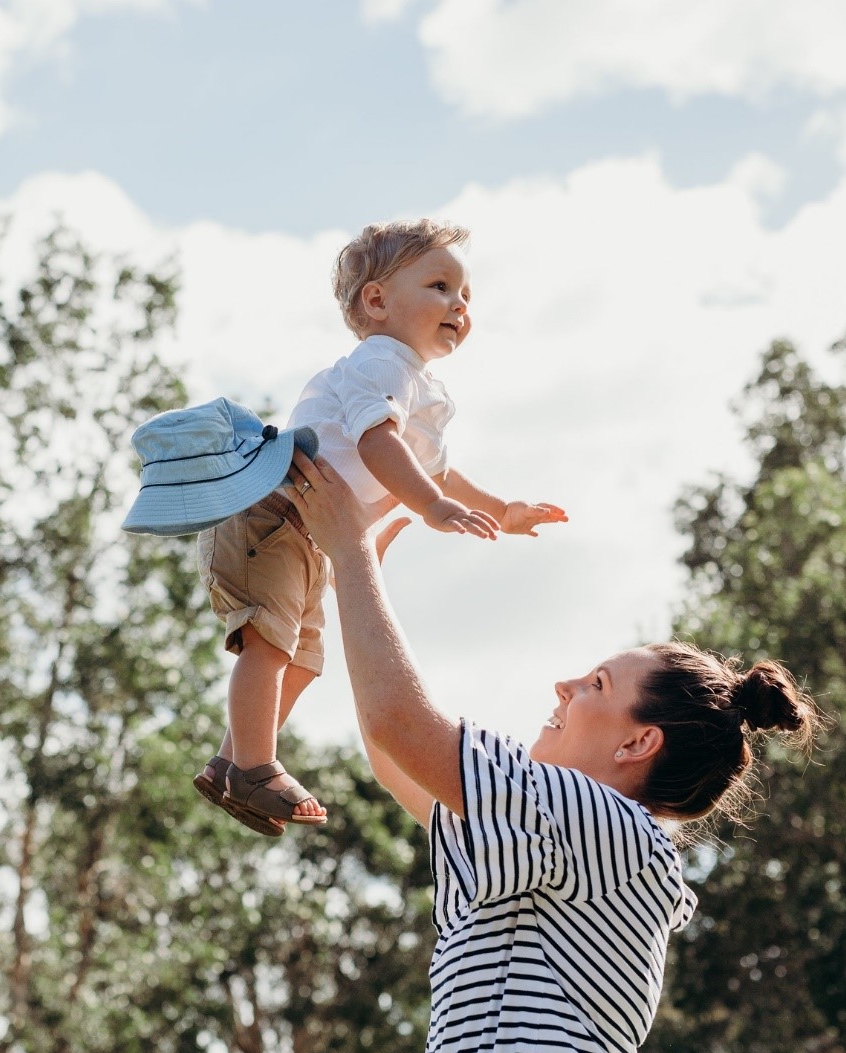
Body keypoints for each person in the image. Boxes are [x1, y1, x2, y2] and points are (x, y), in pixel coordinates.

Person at [283, 450, 821, 1053]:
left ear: (637, 742)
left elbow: (403, 727)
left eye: (596, 684)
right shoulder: (564, 833)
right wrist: (355, 577)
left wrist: (354, 550)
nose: (563, 685)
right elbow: (396, 759)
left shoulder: (606, 823)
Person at [190, 218, 566, 836]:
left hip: (309, 534)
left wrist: (503, 510)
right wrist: (430, 507)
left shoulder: (419, 385)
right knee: (271, 644)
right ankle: (256, 765)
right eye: (441, 286)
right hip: (272, 512)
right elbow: (376, 443)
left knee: (304, 661)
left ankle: (232, 761)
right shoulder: (380, 363)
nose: (459, 305)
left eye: (466, 295)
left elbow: (440, 473)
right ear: (377, 300)